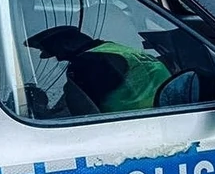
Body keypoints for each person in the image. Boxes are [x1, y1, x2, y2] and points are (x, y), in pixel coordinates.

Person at [25, 25, 174, 114]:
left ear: (67, 43)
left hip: (132, 124)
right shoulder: (116, 49)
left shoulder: (87, 62)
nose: (57, 58)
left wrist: (42, 109)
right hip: (166, 109)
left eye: (54, 51)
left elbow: (80, 112)